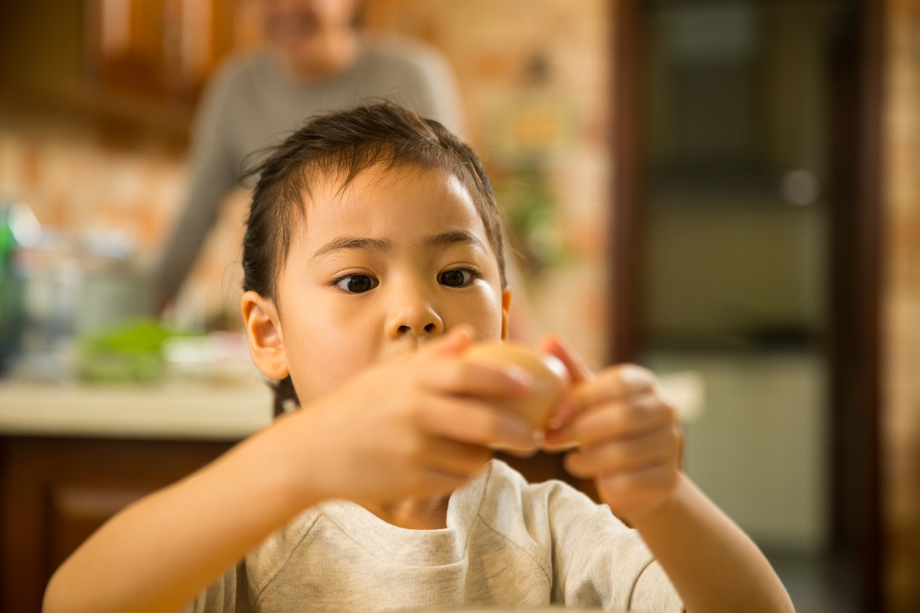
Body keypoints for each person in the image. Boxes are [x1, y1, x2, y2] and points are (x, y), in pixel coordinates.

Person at [44, 104, 795, 613]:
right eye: (357, 279)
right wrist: (298, 458)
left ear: (503, 320)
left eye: (457, 275)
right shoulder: (243, 533)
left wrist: (662, 497)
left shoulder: (551, 529)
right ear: (268, 334)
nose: (415, 310)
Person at [153, 0, 464, 314]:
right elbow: (194, 215)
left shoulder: (413, 74)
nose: (285, 7)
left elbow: (462, 208)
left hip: (405, 309)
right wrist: (144, 309)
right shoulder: (236, 87)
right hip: (296, 316)